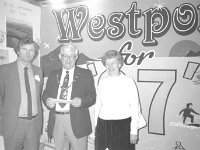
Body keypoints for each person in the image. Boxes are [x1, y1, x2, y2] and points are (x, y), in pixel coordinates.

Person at [42, 43, 96, 150]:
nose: (68, 59)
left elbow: (92, 97)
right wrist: (47, 100)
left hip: (78, 120)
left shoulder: (86, 74)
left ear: (76, 58)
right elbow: (45, 94)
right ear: (60, 57)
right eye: (65, 56)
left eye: (71, 56)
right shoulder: (53, 74)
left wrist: (82, 101)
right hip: (57, 119)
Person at [95, 50, 146, 150]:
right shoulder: (102, 82)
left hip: (123, 125)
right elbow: (98, 105)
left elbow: (135, 107)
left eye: (113, 63)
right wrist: (96, 127)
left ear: (119, 64)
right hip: (103, 125)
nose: (110, 67)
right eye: (107, 64)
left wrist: (134, 132)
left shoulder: (128, 81)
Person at [0, 37, 43, 150]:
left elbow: (37, 97)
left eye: (31, 50)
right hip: (14, 123)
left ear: (35, 53)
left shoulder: (39, 71)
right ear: (18, 51)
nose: (28, 53)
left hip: (34, 124)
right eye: (24, 49)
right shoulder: (4, 70)